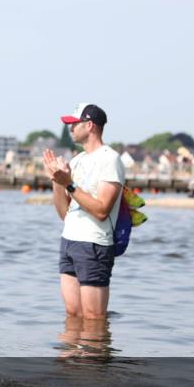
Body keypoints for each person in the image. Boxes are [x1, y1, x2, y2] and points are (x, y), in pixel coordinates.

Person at [43, 104, 124, 320]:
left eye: (74, 124)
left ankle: (96, 355)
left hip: (94, 244)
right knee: (72, 314)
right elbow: (64, 214)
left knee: (93, 319)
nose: (70, 129)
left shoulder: (110, 159)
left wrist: (69, 184)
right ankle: (72, 355)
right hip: (69, 241)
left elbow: (102, 210)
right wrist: (56, 181)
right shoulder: (77, 160)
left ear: (89, 125)